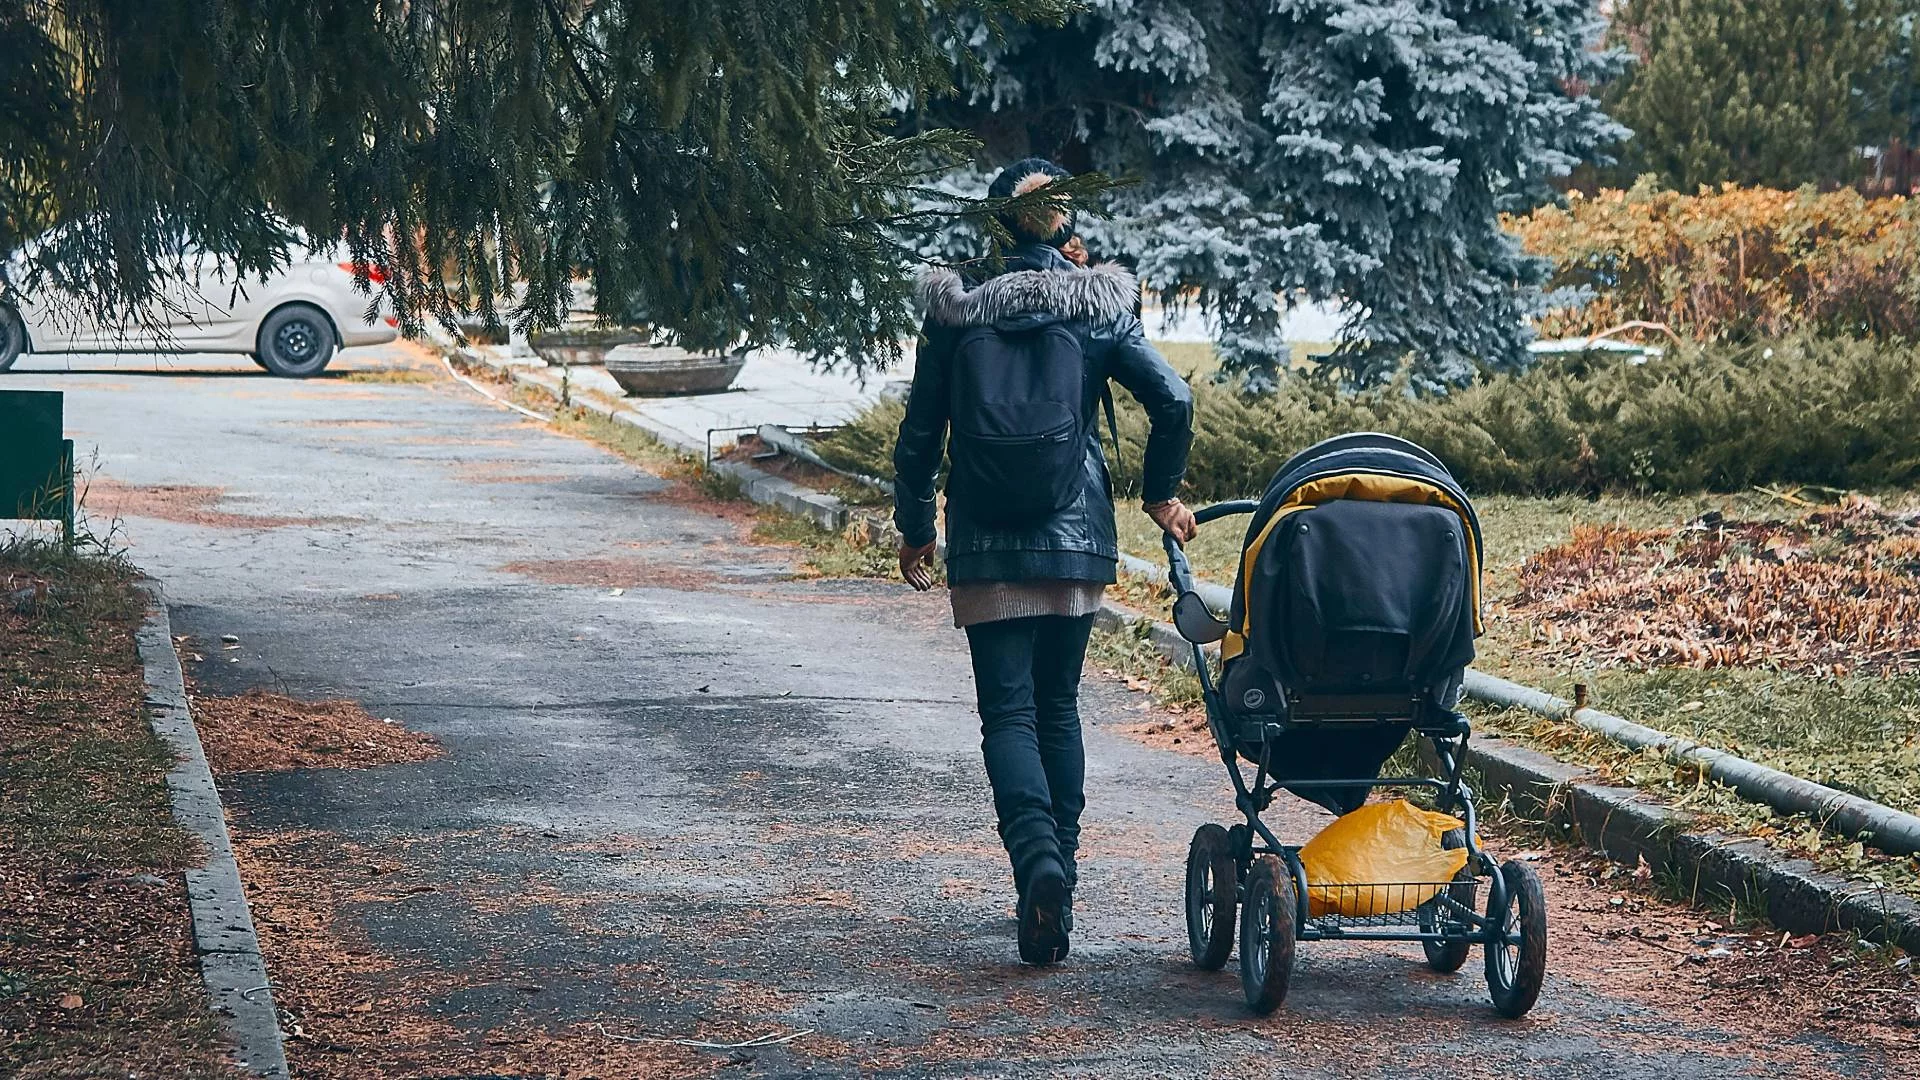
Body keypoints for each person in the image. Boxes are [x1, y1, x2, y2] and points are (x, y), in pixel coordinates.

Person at [893, 158, 1196, 965]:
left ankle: (1038, 867)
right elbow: (1174, 400)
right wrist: (1160, 495)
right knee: (1058, 707)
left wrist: (916, 526)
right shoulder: (1098, 306)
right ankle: (1059, 873)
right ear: (1064, 226)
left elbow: (922, 430)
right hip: (1075, 539)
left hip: (988, 541)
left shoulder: (955, 310)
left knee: (1009, 714)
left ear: (997, 227)